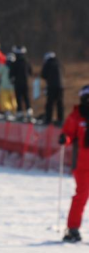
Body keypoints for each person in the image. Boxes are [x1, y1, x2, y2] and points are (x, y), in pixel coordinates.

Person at [58, 86, 89, 243]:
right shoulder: (77, 116)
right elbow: (68, 133)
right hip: (82, 165)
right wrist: (65, 138)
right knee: (81, 196)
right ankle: (73, 228)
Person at [41, 52, 64, 126]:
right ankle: (60, 120)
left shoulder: (48, 63)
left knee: (50, 103)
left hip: (51, 86)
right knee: (59, 103)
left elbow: (43, 75)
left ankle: (48, 119)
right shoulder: (59, 63)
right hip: (60, 86)